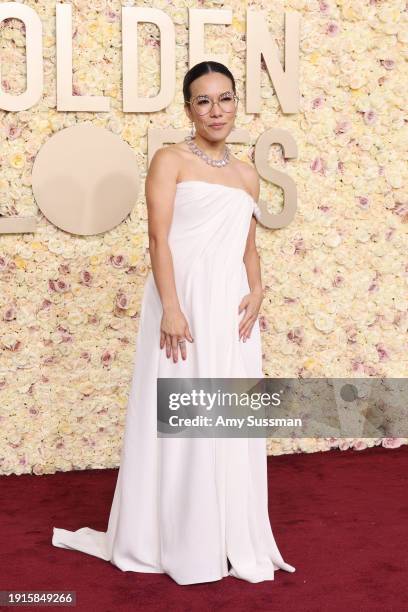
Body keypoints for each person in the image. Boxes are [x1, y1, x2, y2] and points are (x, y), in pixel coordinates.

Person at [52, 60, 296, 585]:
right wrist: (171, 307)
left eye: (225, 99)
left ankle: (229, 531)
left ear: (237, 103)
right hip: (182, 302)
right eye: (204, 101)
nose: (216, 110)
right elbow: (159, 240)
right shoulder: (169, 160)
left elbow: (247, 246)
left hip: (231, 308)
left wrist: (258, 289)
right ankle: (180, 537)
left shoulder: (247, 173)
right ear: (188, 108)